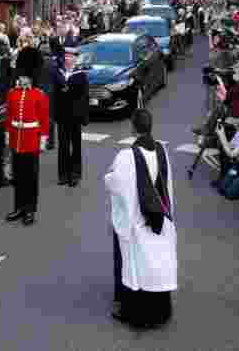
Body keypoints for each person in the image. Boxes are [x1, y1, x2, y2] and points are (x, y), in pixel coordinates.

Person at [105, 108, 176, 328]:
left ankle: (133, 311)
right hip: (159, 218)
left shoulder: (126, 156)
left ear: (133, 128)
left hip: (136, 219)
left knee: (133, 264)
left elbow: (117, 183)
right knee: (157, 263)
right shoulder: (162, 151)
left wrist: (108, 177)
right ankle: (161, 310)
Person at [4, 47, 50, 226]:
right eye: (20, 76)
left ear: (30, 77)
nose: (21, 78)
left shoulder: (39, 96)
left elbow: (44, 121)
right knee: (18, 176)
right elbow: (9, 117)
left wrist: (42, 140)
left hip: (31, 140)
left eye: (24, 76)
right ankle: (19, 207)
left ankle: (30, 209)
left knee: (31, 178)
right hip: (17, 139)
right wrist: (9, 136)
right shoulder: (12, 94)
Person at [50, 47, 89, 187]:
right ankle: (63, 174)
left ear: (75, 59)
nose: (67, 59)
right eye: (66, 56)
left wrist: (84, 116)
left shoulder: (80, 74)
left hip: (75, 115)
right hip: (62, 114)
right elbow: (54, 94)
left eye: (70, 56)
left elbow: (84, 97)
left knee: (76, 145)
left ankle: (75, 174)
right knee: (63, 145)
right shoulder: (57, 72)